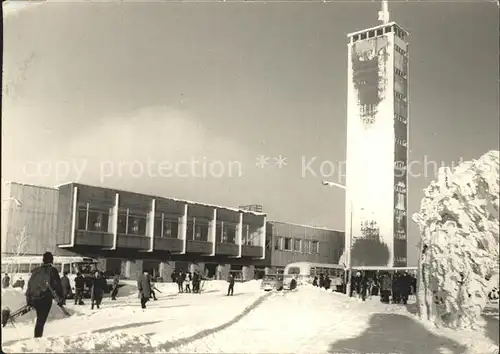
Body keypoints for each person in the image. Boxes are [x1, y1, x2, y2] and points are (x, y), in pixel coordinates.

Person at [25, 252, 64, 338]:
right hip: (45, 298)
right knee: (41, 320)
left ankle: (37, 337)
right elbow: (58, 285)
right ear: (51, 260)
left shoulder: (36, 270)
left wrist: (28, 299)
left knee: (40, 319)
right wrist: (61, 298)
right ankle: (37, 339)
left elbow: (30, 284)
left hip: (33, 297)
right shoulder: (53, 270)